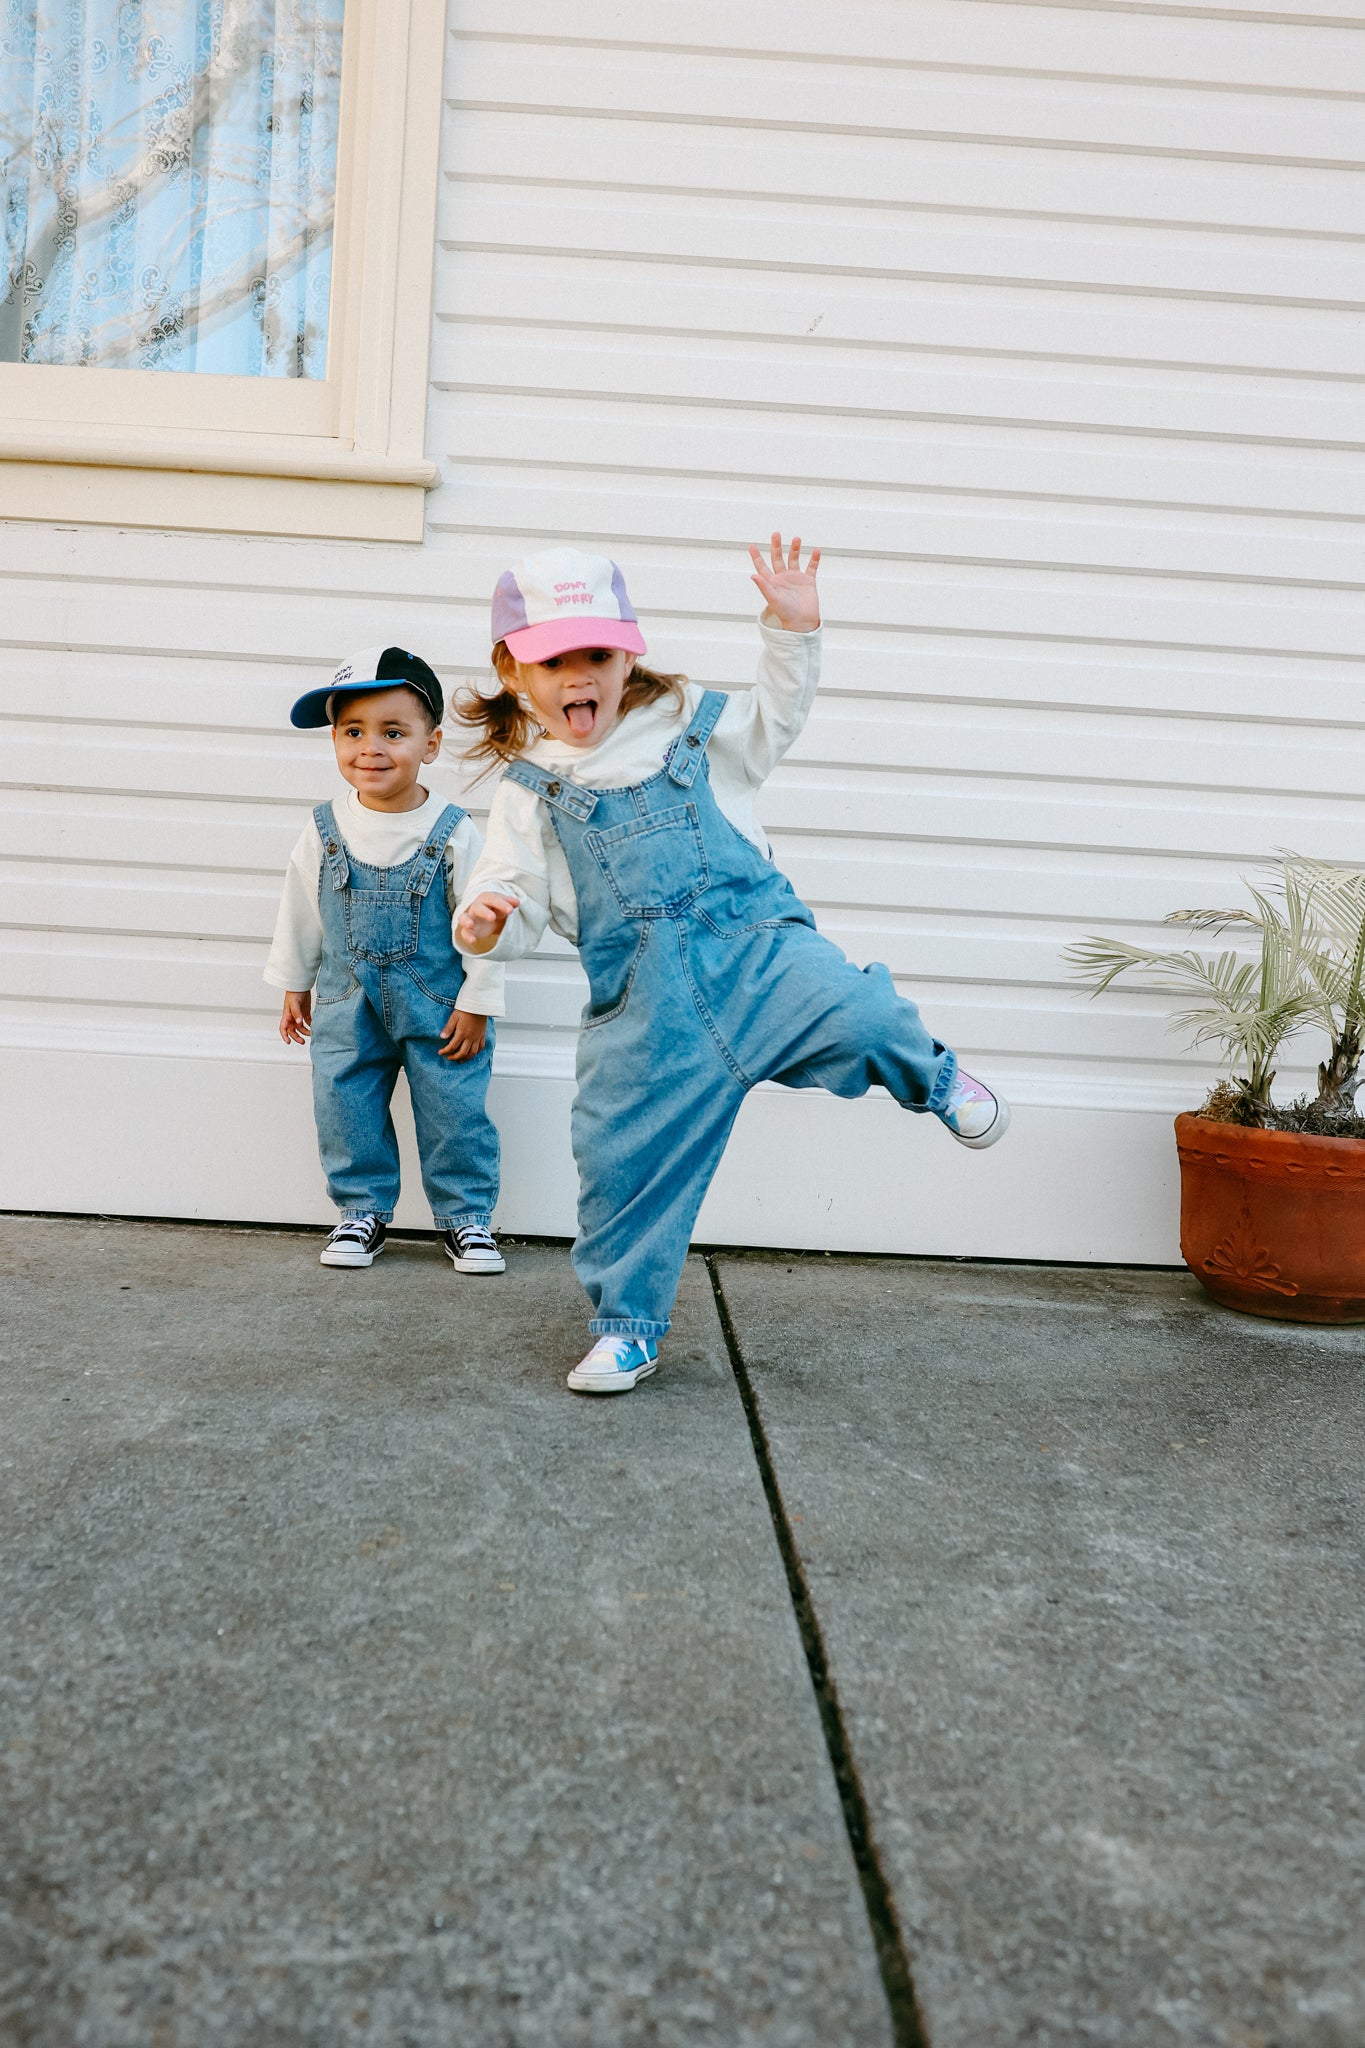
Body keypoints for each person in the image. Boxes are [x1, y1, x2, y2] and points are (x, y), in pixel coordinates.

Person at [455, 541, 1008, 1392]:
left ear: (626, 654)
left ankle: (932, 1078)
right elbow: (513, 894)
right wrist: (486, 919)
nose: (579, 677)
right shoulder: (528, 789)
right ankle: (626, 1329)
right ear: (513, 671)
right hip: (645, 1012)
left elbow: (777, 716)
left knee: (855, 1015)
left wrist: (792, 631)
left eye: (595, 655)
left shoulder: (690, 723)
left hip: (758, 954)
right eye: (554, 660)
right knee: (619, 1163)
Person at [266, 645, 505, 1273]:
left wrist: (479, 1001)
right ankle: (361, 1211)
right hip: (347, 1000)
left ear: (431, 744)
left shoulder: (454, 832)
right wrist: (295, 983)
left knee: (455, 1110)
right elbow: (301, 909)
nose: (370, 748)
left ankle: (466, 1218)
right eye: (352, 732)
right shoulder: (322, 829)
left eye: (392, 732)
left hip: (441, 1006)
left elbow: (486, 927)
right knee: (345, 1103)